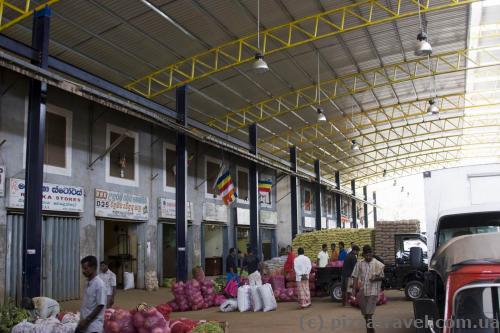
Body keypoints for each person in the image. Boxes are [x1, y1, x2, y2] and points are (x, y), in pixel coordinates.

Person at [352, 245, 385, 333]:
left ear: (372, 254)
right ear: (363, 255)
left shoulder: (377, 264)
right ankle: (371, 329)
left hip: (373, 291)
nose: (368, 257)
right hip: (363, 291)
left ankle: (369, 331)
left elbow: (382, 277)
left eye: (370, 255)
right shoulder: (359, 263)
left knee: (369, 313)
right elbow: (355, 276)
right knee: (365, 314)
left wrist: (375, 279)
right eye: (366, 255)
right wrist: (353, 292)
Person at [77, 255, 107, 333]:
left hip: (93, 327)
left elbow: (100, 305)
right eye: (82, 268)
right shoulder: (87, 282)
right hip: (84, 325)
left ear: (93, 268)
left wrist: (87, 320)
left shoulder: (99, 284)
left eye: (85, 268)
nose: (83, 271)